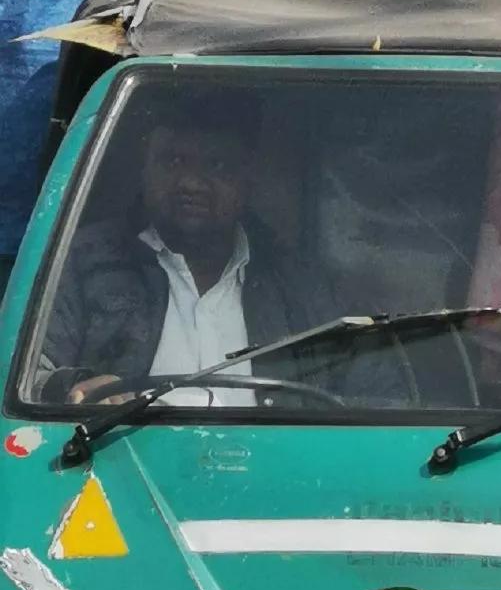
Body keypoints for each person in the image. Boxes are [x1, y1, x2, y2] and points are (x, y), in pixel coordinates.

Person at [37, 94, 331, 407]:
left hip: (275, 455)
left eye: (216, 165)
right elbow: (24, 375)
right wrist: (77, 386)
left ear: (248, 179)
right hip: (120, 452)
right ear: (144, 168)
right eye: (173, 161)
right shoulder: (80, 261)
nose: (191, 183)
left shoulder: (294, 280)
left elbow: (364, 389)